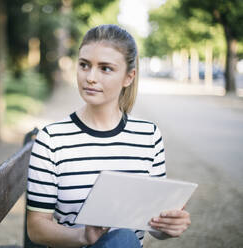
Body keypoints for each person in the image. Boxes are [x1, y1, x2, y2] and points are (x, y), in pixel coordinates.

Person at [26, 24, 191, 247]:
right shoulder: (52, 139)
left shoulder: (148, 136)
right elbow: (36, 228)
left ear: (128, 77)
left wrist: (168, 226)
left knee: (123, 238)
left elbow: (153, 225)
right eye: (84, 65)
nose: (90, 77)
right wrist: (82, 236)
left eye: (105, 68)